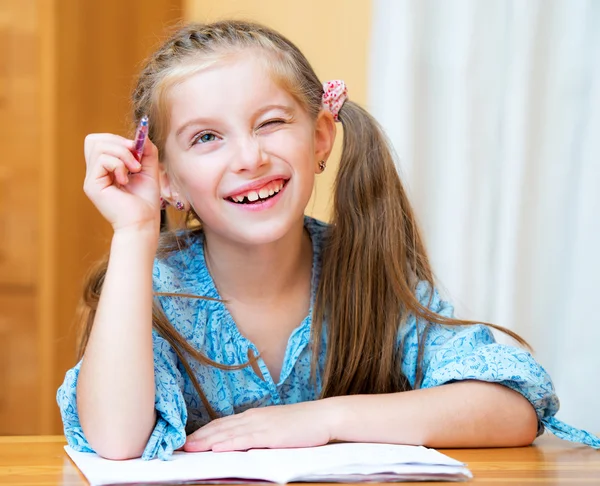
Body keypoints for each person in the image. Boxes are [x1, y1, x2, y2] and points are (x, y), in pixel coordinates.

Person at [57, 20, 600, 461]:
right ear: (166, 179)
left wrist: (323, 420)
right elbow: (114, 441)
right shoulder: (156, 288)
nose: (249, 157)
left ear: (320, 137)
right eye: (206, 138)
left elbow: (511, 409)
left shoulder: (367, 271)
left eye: (270, 123)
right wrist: (133, 231)